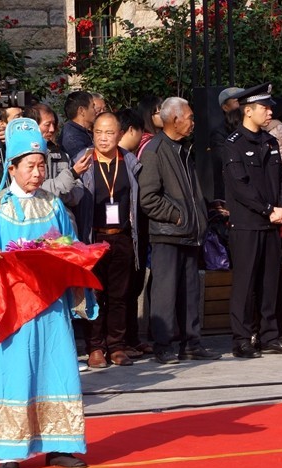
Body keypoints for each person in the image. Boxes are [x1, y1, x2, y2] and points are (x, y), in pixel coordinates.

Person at [0, 118, 96, 468]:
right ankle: (6, 447)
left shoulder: (53, 206)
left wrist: (73, 256)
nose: (37, 173)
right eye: (30, 166)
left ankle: (60, 443)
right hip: (11, 307)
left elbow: (71, 246)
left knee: (56, 368)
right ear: (12, 167)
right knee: (13, 372)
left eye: (41, 166)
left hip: (50, 305)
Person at [223, 83, 282, 358]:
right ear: (247, 111)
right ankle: (242, 338)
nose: (270, 112)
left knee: (271, 281)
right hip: (247, 224)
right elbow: (240, 186)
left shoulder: (269, 141)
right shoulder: (233, 144)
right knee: (245, 284)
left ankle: (270, 334)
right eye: (265, 108)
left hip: (272, 222)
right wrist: (269, 209)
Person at [138, 97, 214, 364]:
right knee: (165, 291)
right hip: (168, 233)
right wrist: (178, 215)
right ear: (174, 119)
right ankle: (163, 344)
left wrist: (201, 214)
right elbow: (148, 198)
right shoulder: (155, 150)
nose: (193, 122)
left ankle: (191, 342)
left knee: (189, 290)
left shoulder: (183, 148)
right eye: (190, 117)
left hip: (188, 231)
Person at [75, 112, 140, 368]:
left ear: (120, 134)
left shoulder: (130, 161)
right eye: (98, 132)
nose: (103, 138)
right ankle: (95, 347)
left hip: (122, 237)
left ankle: (117, 345)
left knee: (119, 295)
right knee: (94, 295)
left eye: (109, 133)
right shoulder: (84, 161)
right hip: (93, 237)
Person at [117, 107, 153, 357]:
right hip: (116, 233)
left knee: (132, 289)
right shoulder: (110, 159)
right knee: (120, 292)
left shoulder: (132, 160)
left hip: (136, 233)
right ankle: (118, 342)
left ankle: (131, 338)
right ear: (131, 130)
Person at [210, 87, 244, 201]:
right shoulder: (219, 132)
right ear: (225, 107)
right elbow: (222, 159)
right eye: (237, 101)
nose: (242, 104)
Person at [59, 91, 96, 161]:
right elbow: (86, 163)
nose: (95, 111)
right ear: (81, 110)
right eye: (93, 107)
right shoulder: (72, 137)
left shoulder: (83, 131)